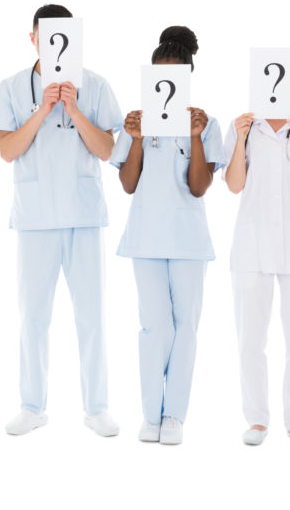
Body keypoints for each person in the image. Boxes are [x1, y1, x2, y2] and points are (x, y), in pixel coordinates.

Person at [0, 4, 123, 436]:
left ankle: (96, 407)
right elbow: (7, 151)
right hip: (35, 217)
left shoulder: (96, 85)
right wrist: (43, 110)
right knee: (33, 316)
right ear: (33, 39)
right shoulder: (12, 87)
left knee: (92, 314)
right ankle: (32, 405)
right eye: (44, 36)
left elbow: (107, 151)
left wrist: (76, 109)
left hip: (83, 216)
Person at [112, 27, 227, 445]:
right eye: (161, 74)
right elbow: (127, 183)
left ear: (188, 78)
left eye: (176, 75)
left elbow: (199, 187)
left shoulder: (205, 123)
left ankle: (175, 415)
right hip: (145, 238)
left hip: (188, 241)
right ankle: (150, 414)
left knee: (186, 327)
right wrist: (138, 139)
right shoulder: (136, 122)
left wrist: (195, 136)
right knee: (153, 328)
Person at [224, 80, 290, 449]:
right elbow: (234, 185)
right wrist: (238, 139)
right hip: (252, 244)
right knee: (251, 337)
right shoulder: (244, 126)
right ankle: (256, 418)